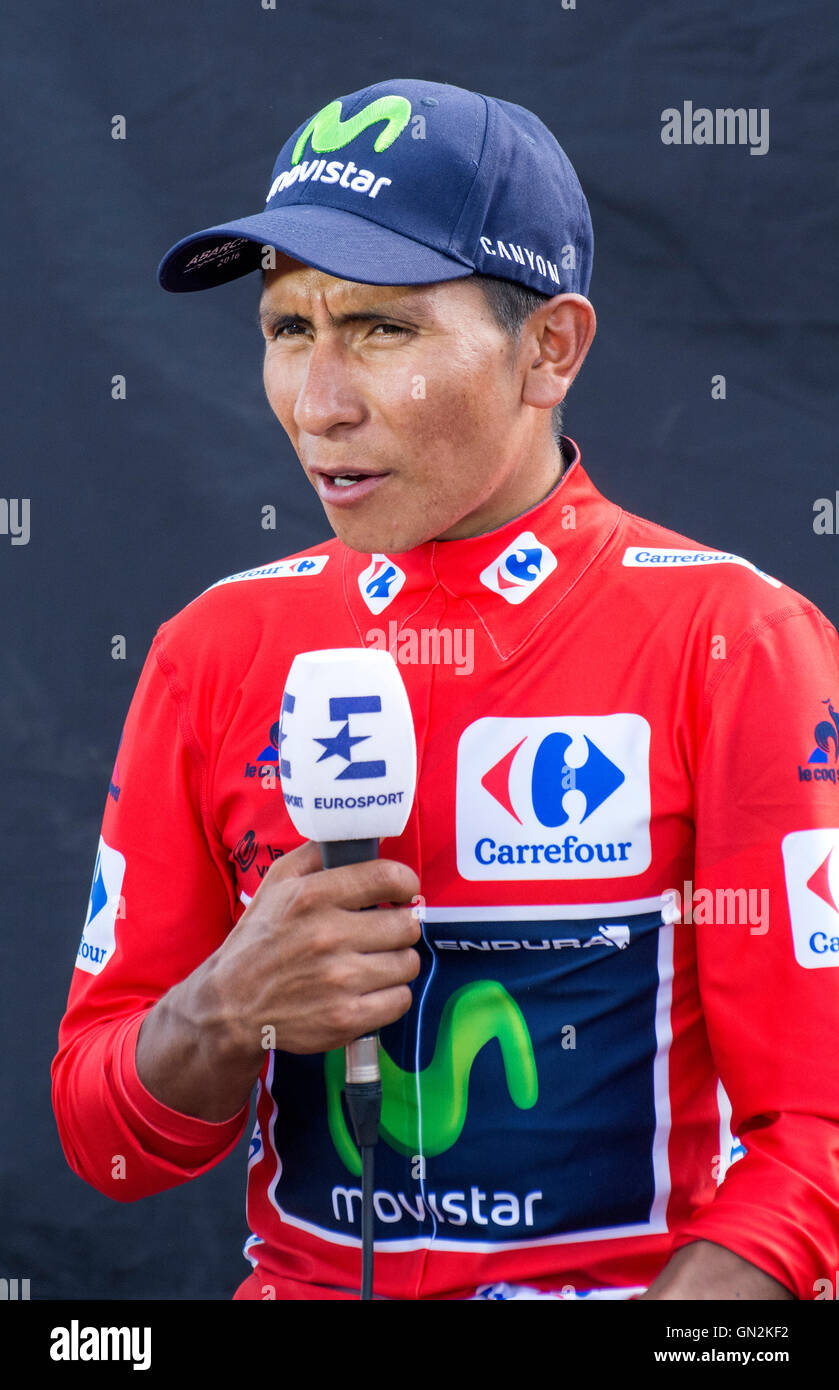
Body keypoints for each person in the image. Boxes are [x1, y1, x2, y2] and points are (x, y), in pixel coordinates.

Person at [52, 77, 839, 1301]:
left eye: (379, 330)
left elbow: (818, 1141)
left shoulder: (734, 636)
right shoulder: (213, 645)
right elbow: (103, 1145)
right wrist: (224, 1008)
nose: (319, 403)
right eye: (285, 329)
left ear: (549, 348)